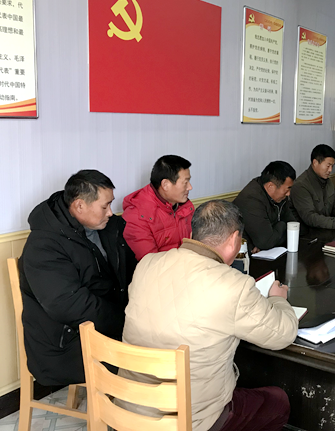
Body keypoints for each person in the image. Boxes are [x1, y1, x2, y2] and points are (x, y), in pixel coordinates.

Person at [119, 200, 298, 431]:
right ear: (234, 239)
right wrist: (278, 299)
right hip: (188, 421)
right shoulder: (234, 285)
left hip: (129, 407)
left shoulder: (147, 264)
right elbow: (283, 334)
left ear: (193, 233)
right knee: (277, 401)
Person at [19, 170, 136, 385]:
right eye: (105, 206)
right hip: (64, 345)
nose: (111, 212)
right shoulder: (44, 245)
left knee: (161, 339)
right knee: (145, 360)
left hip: (105, 327)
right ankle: (121, 407)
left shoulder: (108, 227)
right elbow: (69, 305)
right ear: (80, 206)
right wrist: (125, 321)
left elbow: (130, 271)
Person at [122, 155, 194, 260]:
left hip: (188, 265)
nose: (190, 187)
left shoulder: (184, 205)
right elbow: (150, 263)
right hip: (162, 269)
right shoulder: (136, 216)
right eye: (185, 182)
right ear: (165, 185)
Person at [233, 161, 296, 252]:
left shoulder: (280, 197)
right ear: (270, 186)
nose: (288, 194)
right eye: (287, 189)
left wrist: (274, 234)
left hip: (267, 251)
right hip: (244, 254)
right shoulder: (251, 199)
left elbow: (294, 226)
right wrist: (282, 224)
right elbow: (266, 242)